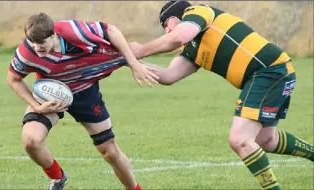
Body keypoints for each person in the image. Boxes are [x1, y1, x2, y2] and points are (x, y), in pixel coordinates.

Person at [129, 1, 314, 190]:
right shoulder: (193, 49)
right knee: (265, 140)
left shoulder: (198, 11)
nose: (166, 31)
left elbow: (178, 36)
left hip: (269, 71)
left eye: (166, 25)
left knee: (240, 140)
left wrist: (142, 50)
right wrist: (131, 61)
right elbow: (169, 76)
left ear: (177, 17)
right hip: (274, 72)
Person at [7, 13, 159, 190]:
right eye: (32, 43)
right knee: (30, 141)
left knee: (110, 152)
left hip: (84, 91)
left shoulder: (73, 32)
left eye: (41, 44)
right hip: (52, 93)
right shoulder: (27, 52)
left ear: (53, 35)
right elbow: (13, 79)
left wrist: (133, 63)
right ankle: (58, 177)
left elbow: (111, 30)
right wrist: (37, 106)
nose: (36, 48)